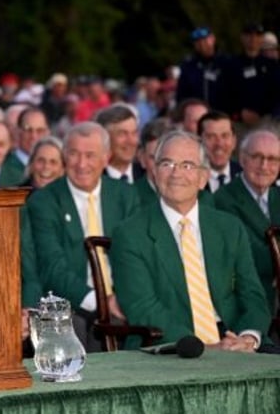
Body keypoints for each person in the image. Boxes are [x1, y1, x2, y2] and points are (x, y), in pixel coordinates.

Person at [110, 130, 270, 350]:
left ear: (203, 178)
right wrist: (205, 347)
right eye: (167, 164)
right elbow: (143, 308)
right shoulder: (129, 234)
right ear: (155, 172)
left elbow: (253, 294)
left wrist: (248, 337)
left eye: (187, 165)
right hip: (170, 346)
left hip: (234, 338)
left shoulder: (229, 227)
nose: (176, 174)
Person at [25, 121, 139, 349]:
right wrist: (101, 302)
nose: (81, 164)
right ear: (65, 155)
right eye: (74, 154)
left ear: (106, 158)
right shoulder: (44, 201)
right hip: (72, 304)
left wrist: (123, 298)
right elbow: (52, 267)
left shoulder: (126, 196)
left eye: (90, 155)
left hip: (123, 300)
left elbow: (137, 258)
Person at [213, 129, 280, 313]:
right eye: (257, 157)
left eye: (273, 159)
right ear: (242, 159)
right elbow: (247, 254)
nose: (264, 166)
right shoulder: (223, 200)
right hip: (250, 305)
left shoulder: (278, 196)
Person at [176, 26, 232, 114]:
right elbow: (181, 95)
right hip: (197, 116)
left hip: (223, 114)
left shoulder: (227, 62)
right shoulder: (188, 66)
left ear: (213, 39)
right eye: (197, 41)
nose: (202, 44)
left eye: (205, 39)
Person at [94, 103, 142, 184]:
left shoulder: (147, 177)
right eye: (122, 134)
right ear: (105, 140)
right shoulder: (93, 180)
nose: (131, 141)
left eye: (134, 133)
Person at [197, 110, 240, 192]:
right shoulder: (190, 179)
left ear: (234, 141)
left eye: (225, 136)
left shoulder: (247, 177)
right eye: (211, 137)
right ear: (199, 141)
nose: (219, 144)